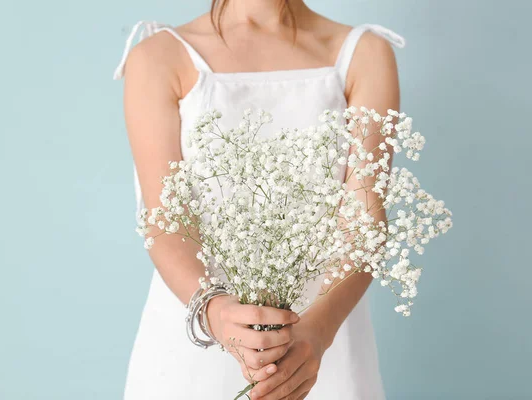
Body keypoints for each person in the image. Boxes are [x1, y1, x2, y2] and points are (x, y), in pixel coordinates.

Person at [113, 1, 405, 398]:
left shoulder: (364, 53)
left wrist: (316, 333)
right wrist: (214, 313)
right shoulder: (159, 55)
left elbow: (364, 220)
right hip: (192, 350)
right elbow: (166, 219)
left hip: (322, 348)